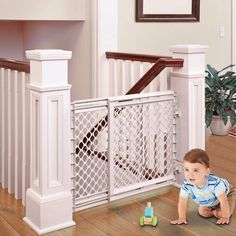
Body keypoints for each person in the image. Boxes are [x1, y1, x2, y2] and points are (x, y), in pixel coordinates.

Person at [171, 148, 236, 225]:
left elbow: (223, 201)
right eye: (187, 169)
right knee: (202, 212)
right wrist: (182, 218)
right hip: (211, 200)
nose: (190, 175)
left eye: (195, 170)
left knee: (223, 214)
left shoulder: (214, 184)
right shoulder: (187, 185)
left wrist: (225, 217)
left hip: (227, 194)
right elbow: (182, 202)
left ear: (207, 172)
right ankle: (214, 211)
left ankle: (219, 211)